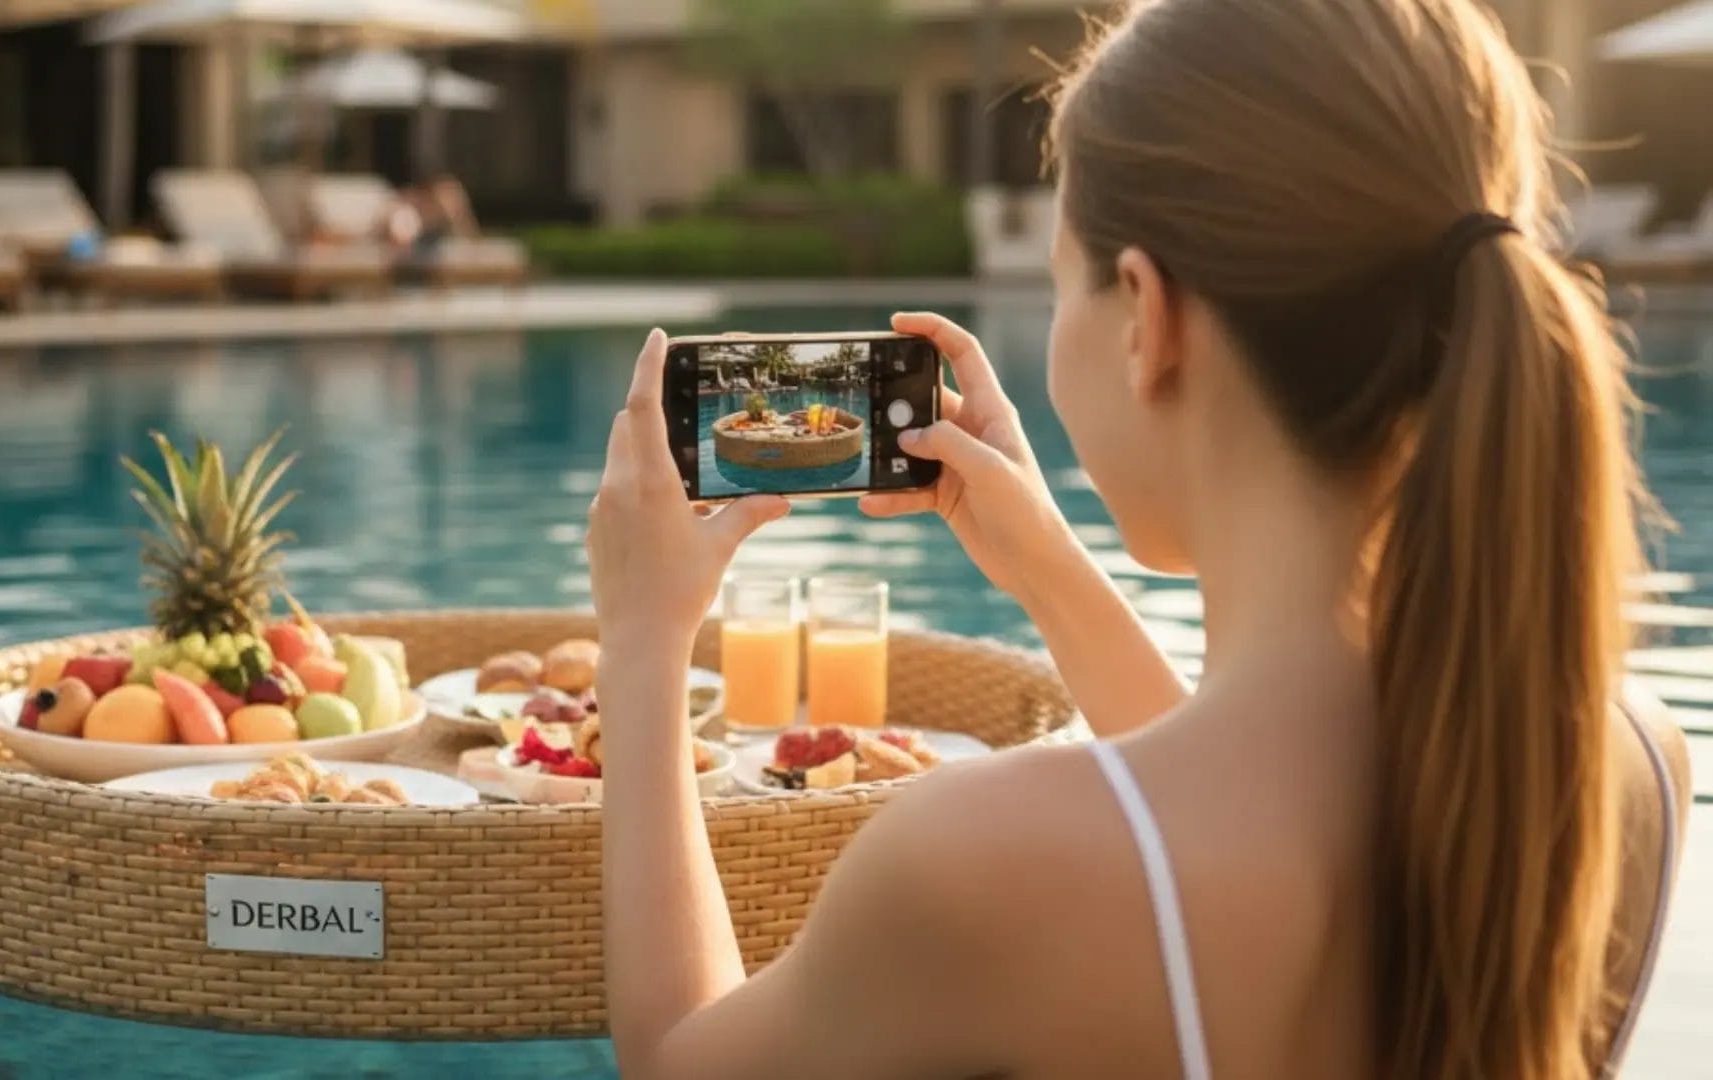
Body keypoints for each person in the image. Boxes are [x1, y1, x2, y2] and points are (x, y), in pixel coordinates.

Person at [585, 0, 1691, 1077]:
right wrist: (1044, 566)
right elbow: (1220, 819)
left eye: (1060, 281)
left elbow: (680, 1060)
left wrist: (642, 642)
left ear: (1144, 317)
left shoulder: (987, 865)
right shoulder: (1627, 760)